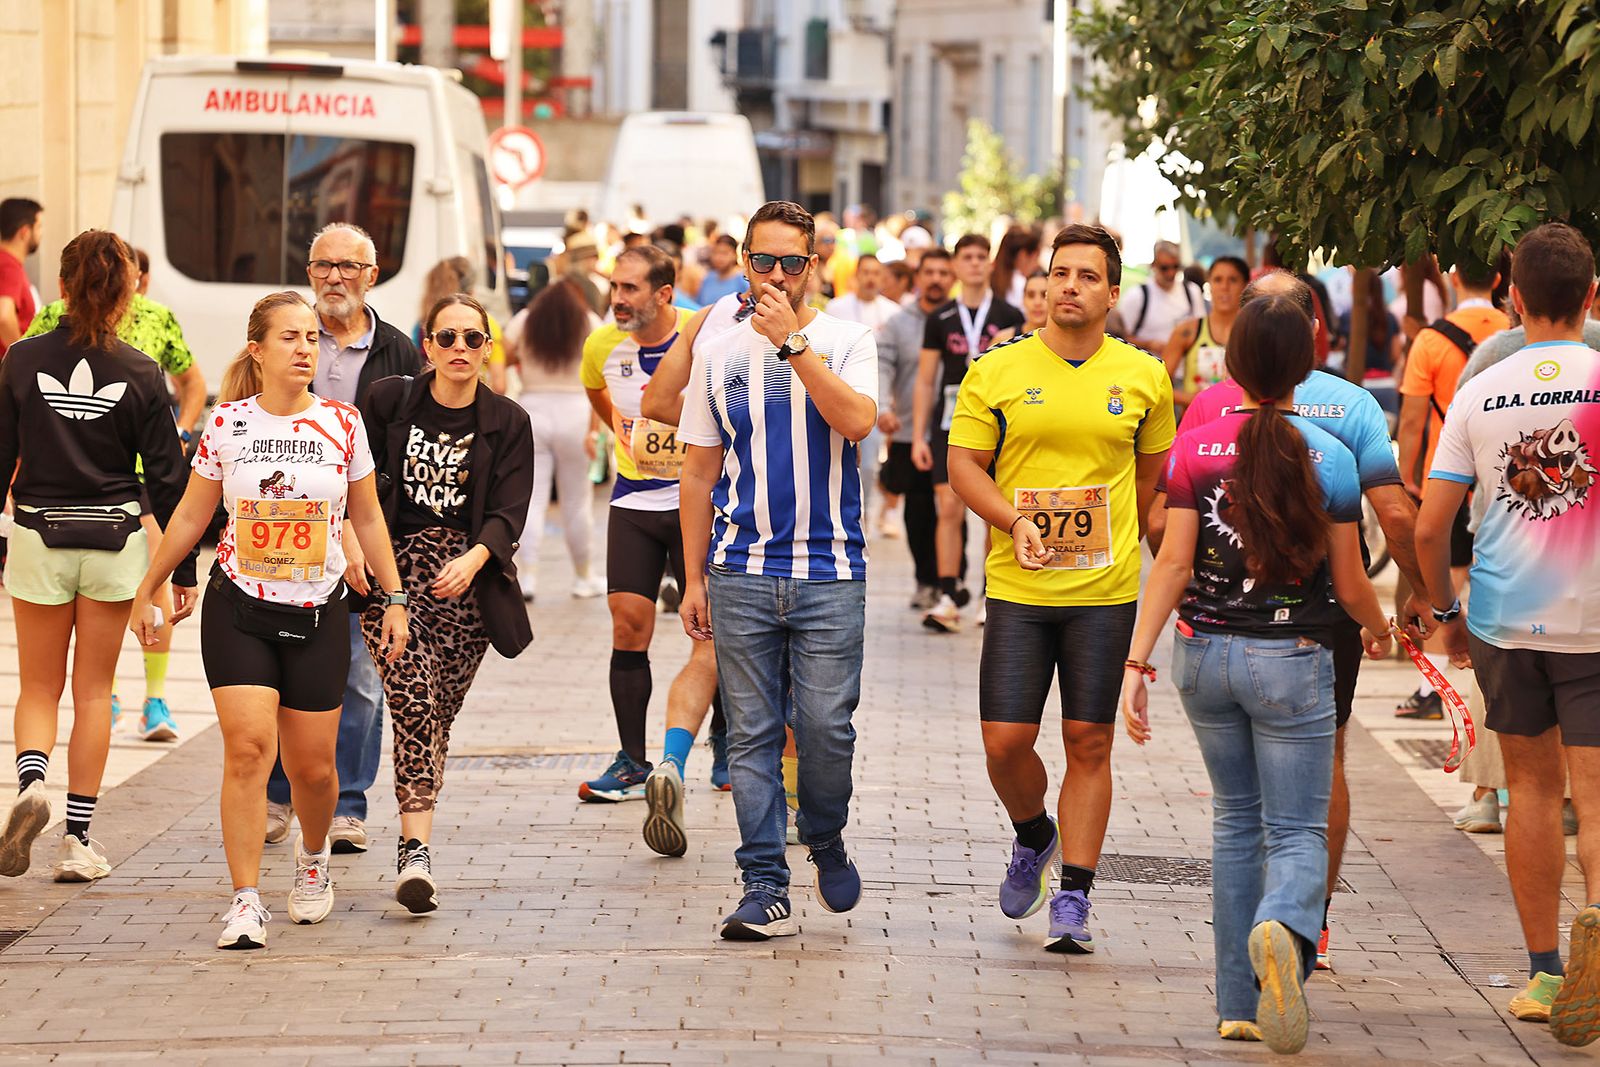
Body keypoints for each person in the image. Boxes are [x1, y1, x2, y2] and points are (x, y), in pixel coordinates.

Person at [1121, 294, 1392, 1053]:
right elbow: (1349, 581)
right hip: (1292, 658)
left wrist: (1136, 662)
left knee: (1234, 822)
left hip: (1201, 657)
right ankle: (1284, 924)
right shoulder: (1330, 456)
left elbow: (1173, 562)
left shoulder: (1194, 447)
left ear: (1233, 363)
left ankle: (1237, 1005)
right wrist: (1381, 627)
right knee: (1297, 827)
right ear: (1307, 362)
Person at [1147, 270, 1431, 970]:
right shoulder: (1344, 426)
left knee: (1235, 816)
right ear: (1310, 345)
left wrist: (1156, 639)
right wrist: (1395, 614)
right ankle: (1301, 923)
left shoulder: (1204, 419)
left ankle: (1238, 999)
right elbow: (1379, 535)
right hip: (1310, 632)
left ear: (1236, 349)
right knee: (1308, 794)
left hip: (1209, 636)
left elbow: (1166, 539)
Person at [128, 289, 408, 949]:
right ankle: (246, 898)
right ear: (257, 349)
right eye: (290, 337)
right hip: (240, 609)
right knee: (250, 749)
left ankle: (312, 859)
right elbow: (194, 516)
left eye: (312, 337)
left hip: (318, 613)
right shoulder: (228, 425)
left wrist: (393, 597)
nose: (305, 347)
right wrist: (151, 584)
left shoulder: (343, 423)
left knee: (313, 769)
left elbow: (366, 515)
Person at [944, 223, 1173, 957]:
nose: (1070, 285)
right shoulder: (997, 371)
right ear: (1042, 286)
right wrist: (1015, 519)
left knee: (1088, 739)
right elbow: (965, 467)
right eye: (1060, 273)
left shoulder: (1144, 377)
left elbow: (1148, 486)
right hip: (1020, 584)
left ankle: (1073, 894)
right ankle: (1034, 833)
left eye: (1087, 275)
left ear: (1112, 291)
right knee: (1005, 741)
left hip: (1104, 590)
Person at [1417, 222, 1600, 1044]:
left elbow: (1430, 528)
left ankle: (1544, 973)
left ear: (1513, 297)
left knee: (1531, 790)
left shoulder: (1482, 389)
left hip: (1503, 618)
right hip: (1595, 616)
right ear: (1592, 297)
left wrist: (1446, 615)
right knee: (1595, 796)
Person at [676, 200, 878, 939]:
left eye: (792, 262)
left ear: (814, 264)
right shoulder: (717, 348)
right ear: (741, 261)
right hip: (741, 570)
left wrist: (792, 343)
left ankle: (823, 832)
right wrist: (694, 576)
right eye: (762, 261)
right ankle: (765, 882)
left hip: (831, 572)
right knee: (752, 735)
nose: (776, 275)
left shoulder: (846, 339)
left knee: (826, 728)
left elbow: (856, 421)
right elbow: (697, 472)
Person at [0, 230, 192, 883]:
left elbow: (0, 459)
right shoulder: (142, 371)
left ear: (60, 286)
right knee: (93, 690)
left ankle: (30, 782)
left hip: (36, 532)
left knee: (37, 685)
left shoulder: (20, 361)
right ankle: (77, 840)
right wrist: (180, 574)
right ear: (128, 293)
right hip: (114, 540)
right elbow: (170, 481)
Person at [358, 294, 534, 913]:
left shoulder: (508, 421)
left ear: (488, 348)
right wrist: (366, 559)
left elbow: (510, 510)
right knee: (413, 701)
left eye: (472, 339)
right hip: (392, 576)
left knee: (438, 718)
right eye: (447, 338)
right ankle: (415, 854)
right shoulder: (387, 402)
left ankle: (415, 827)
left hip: (467, 589)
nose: (460, 349)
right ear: (426, 346)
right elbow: (357, 484)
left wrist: (476, 558)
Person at [265, 223, 422, 856]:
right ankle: (280, 796)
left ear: (371, 276)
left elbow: (410, 455)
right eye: (323, 265)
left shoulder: (400, 353)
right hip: (281, 536)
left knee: (359, 676)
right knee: (283, 674)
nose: (335, 277)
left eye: (348, 267)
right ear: (309, 272)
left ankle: (348, 806)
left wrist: (380, 548)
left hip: (368, 532)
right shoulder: (285, 335)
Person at [24, 245, 209, 743]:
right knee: (119, 594)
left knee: (157, 576)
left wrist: (183, 431)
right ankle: (106, 697)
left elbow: (193, 382)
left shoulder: (157, 319)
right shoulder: (47, 320)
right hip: (96, 486)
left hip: (133, 476)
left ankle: (154, 696)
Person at [573, 246, 722, 813]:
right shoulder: (601, 346)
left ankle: (727, 747)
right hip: (634, 498)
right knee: (628, 621)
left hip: (696, 499)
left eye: (631, 288)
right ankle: (632, 761)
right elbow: (597, 393)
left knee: (711, 630)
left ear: (665, 293)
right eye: (615, 286)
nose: (618, 298)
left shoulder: (702, 335)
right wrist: (619, 431)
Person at [1393, 258, 1508, 727]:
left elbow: (1413, 421)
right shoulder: (1515, 332)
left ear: (1454, 279)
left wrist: (1405, 481)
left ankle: (1431, 688)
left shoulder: (1431, 340)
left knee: (1448, 582)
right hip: (1508, 480)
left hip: (1451, 481)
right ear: (1501, 282)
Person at [912, 234, 1025, 632]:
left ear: (991, 264)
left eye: (982, 257)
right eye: (968, 257)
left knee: (991, 513)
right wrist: (920, 436)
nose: (975, 264)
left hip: (996, 426)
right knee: (947, 507)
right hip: (948, 423)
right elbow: (926, 380)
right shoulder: (940, 317)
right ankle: (948, 593)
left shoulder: (1010, 313)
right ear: (957, 265)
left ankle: (987, 594)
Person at [510, 279, 605, 601]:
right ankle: (583, 576)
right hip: (577, 412)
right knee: (577, 502)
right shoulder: (589, 321)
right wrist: (596, 430)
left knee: (531, 499)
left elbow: (501, 354)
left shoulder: (525, 320)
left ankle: (527, 578)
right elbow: (599, 379)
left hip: (532, 409)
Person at [878, 251, 954, 608]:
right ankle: (927, 580)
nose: (936, 279)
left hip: (956, 432)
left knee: (952, 507)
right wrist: (881, 405)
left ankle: (949, 580)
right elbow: (884, 366)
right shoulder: (898, 323)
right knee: (920, 510)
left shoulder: (959, 320)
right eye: (930, 272)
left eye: (943, 272)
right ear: (918, 278)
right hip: (910, 431)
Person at [413, 257, 510, 394]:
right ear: (472, 290)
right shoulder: (487, 323)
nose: (459, 346)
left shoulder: (422, 323)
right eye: (446, 338)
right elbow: (499, 385)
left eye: (472, 338)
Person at [1162, 256, 1248, 410]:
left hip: (1241, 426)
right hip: (1196, 425)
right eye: (1218, 280)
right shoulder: (1187, 331)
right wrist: (1192, 399)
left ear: (1246, 286)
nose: (1225, 287)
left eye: (1233, 280)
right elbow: (1159, 386)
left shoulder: (1254, 332)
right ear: (1209, 284)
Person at [1335, 271, 1404, 418]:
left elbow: (1340, 346)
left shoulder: (1348, 317)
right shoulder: (1389, 317)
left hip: (1357, 385)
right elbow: (1396, 353)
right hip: (1386, 385)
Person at [1119, 240, 1205, 354]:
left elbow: (1202, 330)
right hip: (1150, 367)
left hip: (1185, 368)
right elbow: (1121, 339)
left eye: (1176, 266)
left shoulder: (1192, 291)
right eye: (1165, 268)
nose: (1171, 273)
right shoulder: (1137, 296)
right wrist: (1149, 344)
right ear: (1153, 265)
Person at [0, 198, 41, 357]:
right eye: (38, 227)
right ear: (24, 231)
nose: (41, 233)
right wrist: (22, 358)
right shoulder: (8, 266)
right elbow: (3, 316)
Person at [991, 227, 1042, 308]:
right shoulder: (1021, 284)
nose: (1037, 265)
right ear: (1023, 256)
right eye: (1036, 258)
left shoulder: (992, 279)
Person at [696, 234, 749, 307]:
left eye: (724, 253)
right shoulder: (708, 278)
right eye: (716, 252)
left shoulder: (742, 280)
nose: (719, 258)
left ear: (734, 255)